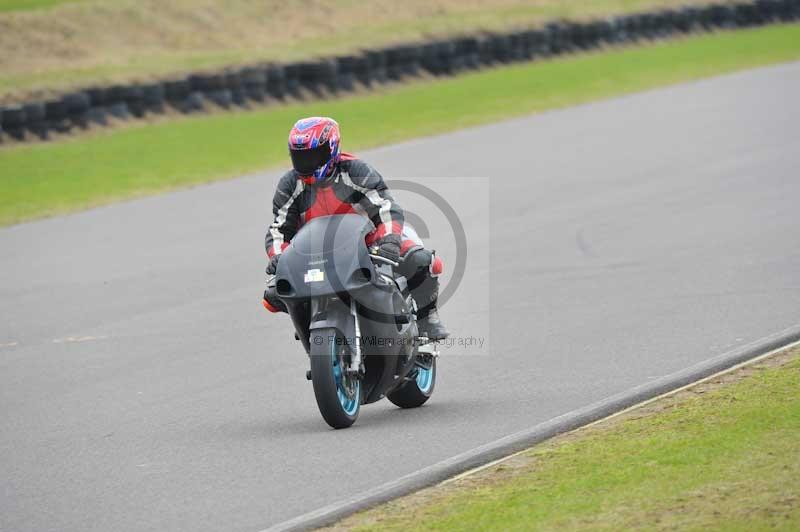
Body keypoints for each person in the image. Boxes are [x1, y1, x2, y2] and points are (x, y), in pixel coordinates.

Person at [263, 116, 449, 340]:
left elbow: (385, 207)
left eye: (314, 155)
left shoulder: (356, 171)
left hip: (370, 242)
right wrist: (279, 256)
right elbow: (279, 228)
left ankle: (427, 318)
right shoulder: (290, 184)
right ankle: (310, 322)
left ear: (332, 149)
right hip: (316, 252)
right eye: (300, 157)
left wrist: (389, 239)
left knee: (420, 260)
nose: (307, 163)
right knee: (274, 294)